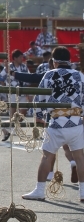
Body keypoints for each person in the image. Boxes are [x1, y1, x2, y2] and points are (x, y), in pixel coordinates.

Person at [22, 46, 84, 202]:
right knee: (80, 158)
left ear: (54, 62)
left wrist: (39, 116)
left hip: (55, 123)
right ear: (69, 61)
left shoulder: (49, 75)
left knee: (47, 157)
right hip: (76, 123)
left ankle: (40, 190)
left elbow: (39, 98)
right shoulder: (79, 76)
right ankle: (83, 192)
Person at [0, 49, 29, 142]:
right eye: (20, 57)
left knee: (23, 112)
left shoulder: (24, 67)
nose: (21, 59)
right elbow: (1, 78)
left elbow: (28, 78)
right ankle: (11, 130)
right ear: (15, 58)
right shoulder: (8, 67)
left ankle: (7, 128)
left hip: (22, 91)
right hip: (12, 92)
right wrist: (6, 88)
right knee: (13, 113)